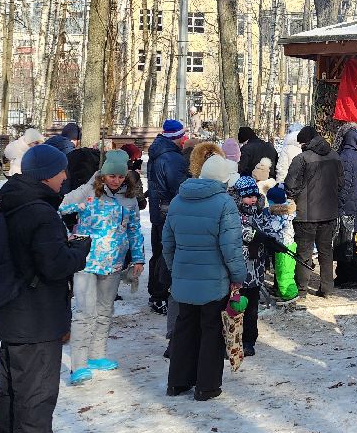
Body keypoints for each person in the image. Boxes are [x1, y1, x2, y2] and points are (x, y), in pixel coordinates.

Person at [0, 144, 91, 433]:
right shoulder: (40, 213)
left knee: (11, 392)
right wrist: (78, 250)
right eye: (62, 172)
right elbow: (54, 265)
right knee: (35, 394)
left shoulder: (12, 204)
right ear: (48, 174)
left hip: (13, 316)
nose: (65, 178)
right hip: (37, 319)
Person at [59, 150, 145, 383]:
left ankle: (97, 354)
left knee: (105, 310)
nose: (116, 180)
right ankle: (78, 364)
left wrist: (138, 258)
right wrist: (67, 237)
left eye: (120, 176)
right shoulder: (88, 192)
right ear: (103, 174)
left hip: (114, 263)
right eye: (111, 176)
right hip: (86, 261)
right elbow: (58, 209)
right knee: (85, 312)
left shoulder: (129, 198)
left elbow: (135, 230)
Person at [164, 155, 245, 400]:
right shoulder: (224, 203)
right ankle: (206, 386)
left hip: (184, 278)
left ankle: (177, 382)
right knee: (211, 331)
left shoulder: (178, 200)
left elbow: (167, 243)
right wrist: (238, 276)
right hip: (214, 280)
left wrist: (175, 270)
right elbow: (231, 247)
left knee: (184, 327)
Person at [285, 130, 343, 296]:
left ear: (305, 142)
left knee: (304, 252)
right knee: (326, 252)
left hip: (305, 214)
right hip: (330, 213)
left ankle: (302, 288)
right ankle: (327, 288)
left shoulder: (302, 159)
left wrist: (293, 197)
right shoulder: (335, 156)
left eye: (301, 143)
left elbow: (291, 186)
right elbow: (341, 183)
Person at [146, 119, 191, 314]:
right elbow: (179, 188)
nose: (184, 140)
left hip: (158, 210)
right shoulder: (172, 158)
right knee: (166, 253)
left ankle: (155, 293)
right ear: (176, 137)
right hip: (169, 211)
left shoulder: (158, 152)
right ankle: (160, 294)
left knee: (158, 252)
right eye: (182, 136)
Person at [228, 174, 268, 355]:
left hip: (256, 270)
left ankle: (249, 340)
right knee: (236, 306)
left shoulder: (259, 212)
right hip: (239, 271)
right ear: (239, 196)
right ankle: (232, 338)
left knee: (252, 308)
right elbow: (241, 233)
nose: (252, 199)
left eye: (255, 196)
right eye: (248, 196)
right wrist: (256, 236)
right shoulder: (233, 214)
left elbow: (266, 229)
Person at [334, 122, 357, 289]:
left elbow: (343, 186)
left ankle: (354, 277)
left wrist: (338, 206)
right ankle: (344, 276)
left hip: (347, 208)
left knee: (345, 244)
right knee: (348, 242)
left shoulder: (345, 157)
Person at [255, 181, 300, 302]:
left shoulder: (275, 215)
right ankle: (283, 292)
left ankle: (290, 296)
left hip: (283, 247)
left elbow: (269, 230)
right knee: (285, 271)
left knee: (284, 273)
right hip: (288, 245)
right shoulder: (288, 211)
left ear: (271, 201)